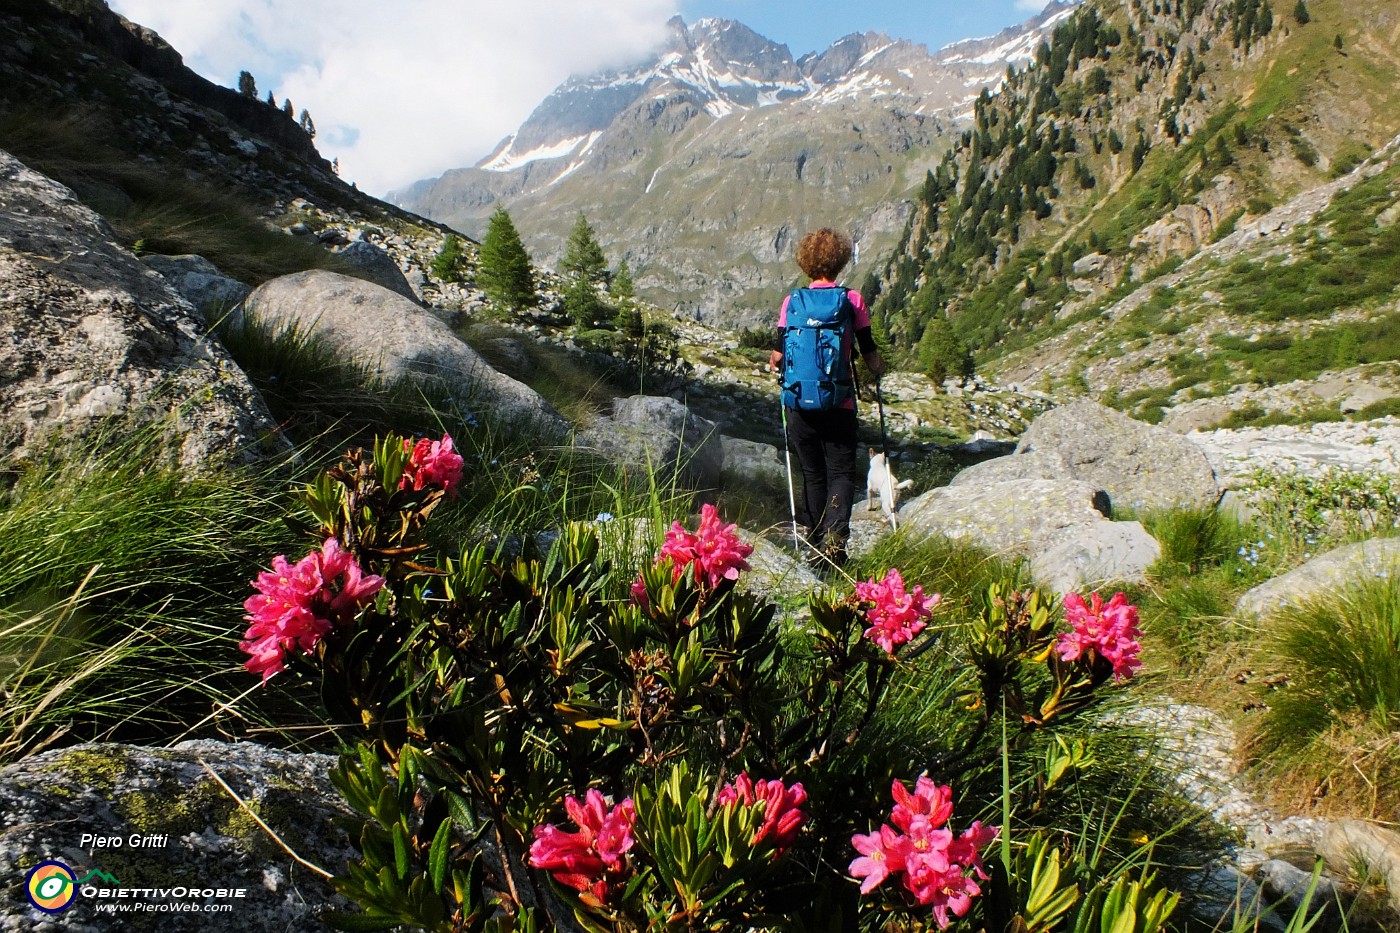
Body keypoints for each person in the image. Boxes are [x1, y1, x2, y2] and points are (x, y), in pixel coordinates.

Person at [769, 228, 885, 569]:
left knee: (813, 473)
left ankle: (815, 545)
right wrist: (879, 367)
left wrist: (774, 362)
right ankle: (836, 545)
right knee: (841, 474)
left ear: (806, 262)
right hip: (840, 403)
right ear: (840, 262)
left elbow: (778, 354)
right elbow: (869, 353)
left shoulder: (792, 302)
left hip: (799, 404)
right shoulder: (852, 300)